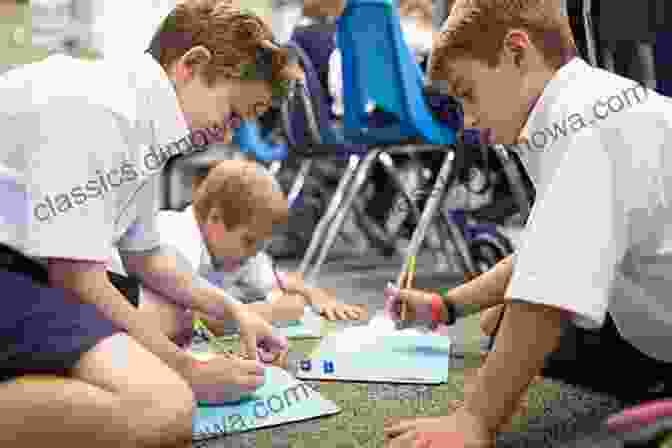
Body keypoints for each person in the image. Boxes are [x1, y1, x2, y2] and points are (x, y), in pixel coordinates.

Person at [0, 1, 300, 446]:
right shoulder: (101, 108)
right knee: (166, 409)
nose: (229, 133)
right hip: (17, 269)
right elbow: (77, 278)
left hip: (27, 268)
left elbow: (145, 256)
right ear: (191, 66)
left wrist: (232, 310)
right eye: (233, 113)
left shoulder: (141, 115)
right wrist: (188, 372)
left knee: (175, 317)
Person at [383, 0, 672, 446]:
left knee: (525, 321)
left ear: (518, 52)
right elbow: (544, 251)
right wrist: (446, 307)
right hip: (654, 322)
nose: (470, 121)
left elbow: (547, 294)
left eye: (468, 94)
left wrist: (475, 420)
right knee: (505, 323)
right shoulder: (575, 107)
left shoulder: (584, 121)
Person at [150, 158, 366, 344]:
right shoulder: (177, 237)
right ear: (215, 219)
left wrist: (316, 296)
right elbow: (181, 317)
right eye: (250, 241)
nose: (254, 253)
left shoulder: (235, 249)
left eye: (261, 246)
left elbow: (279, 279)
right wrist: (265, 313)